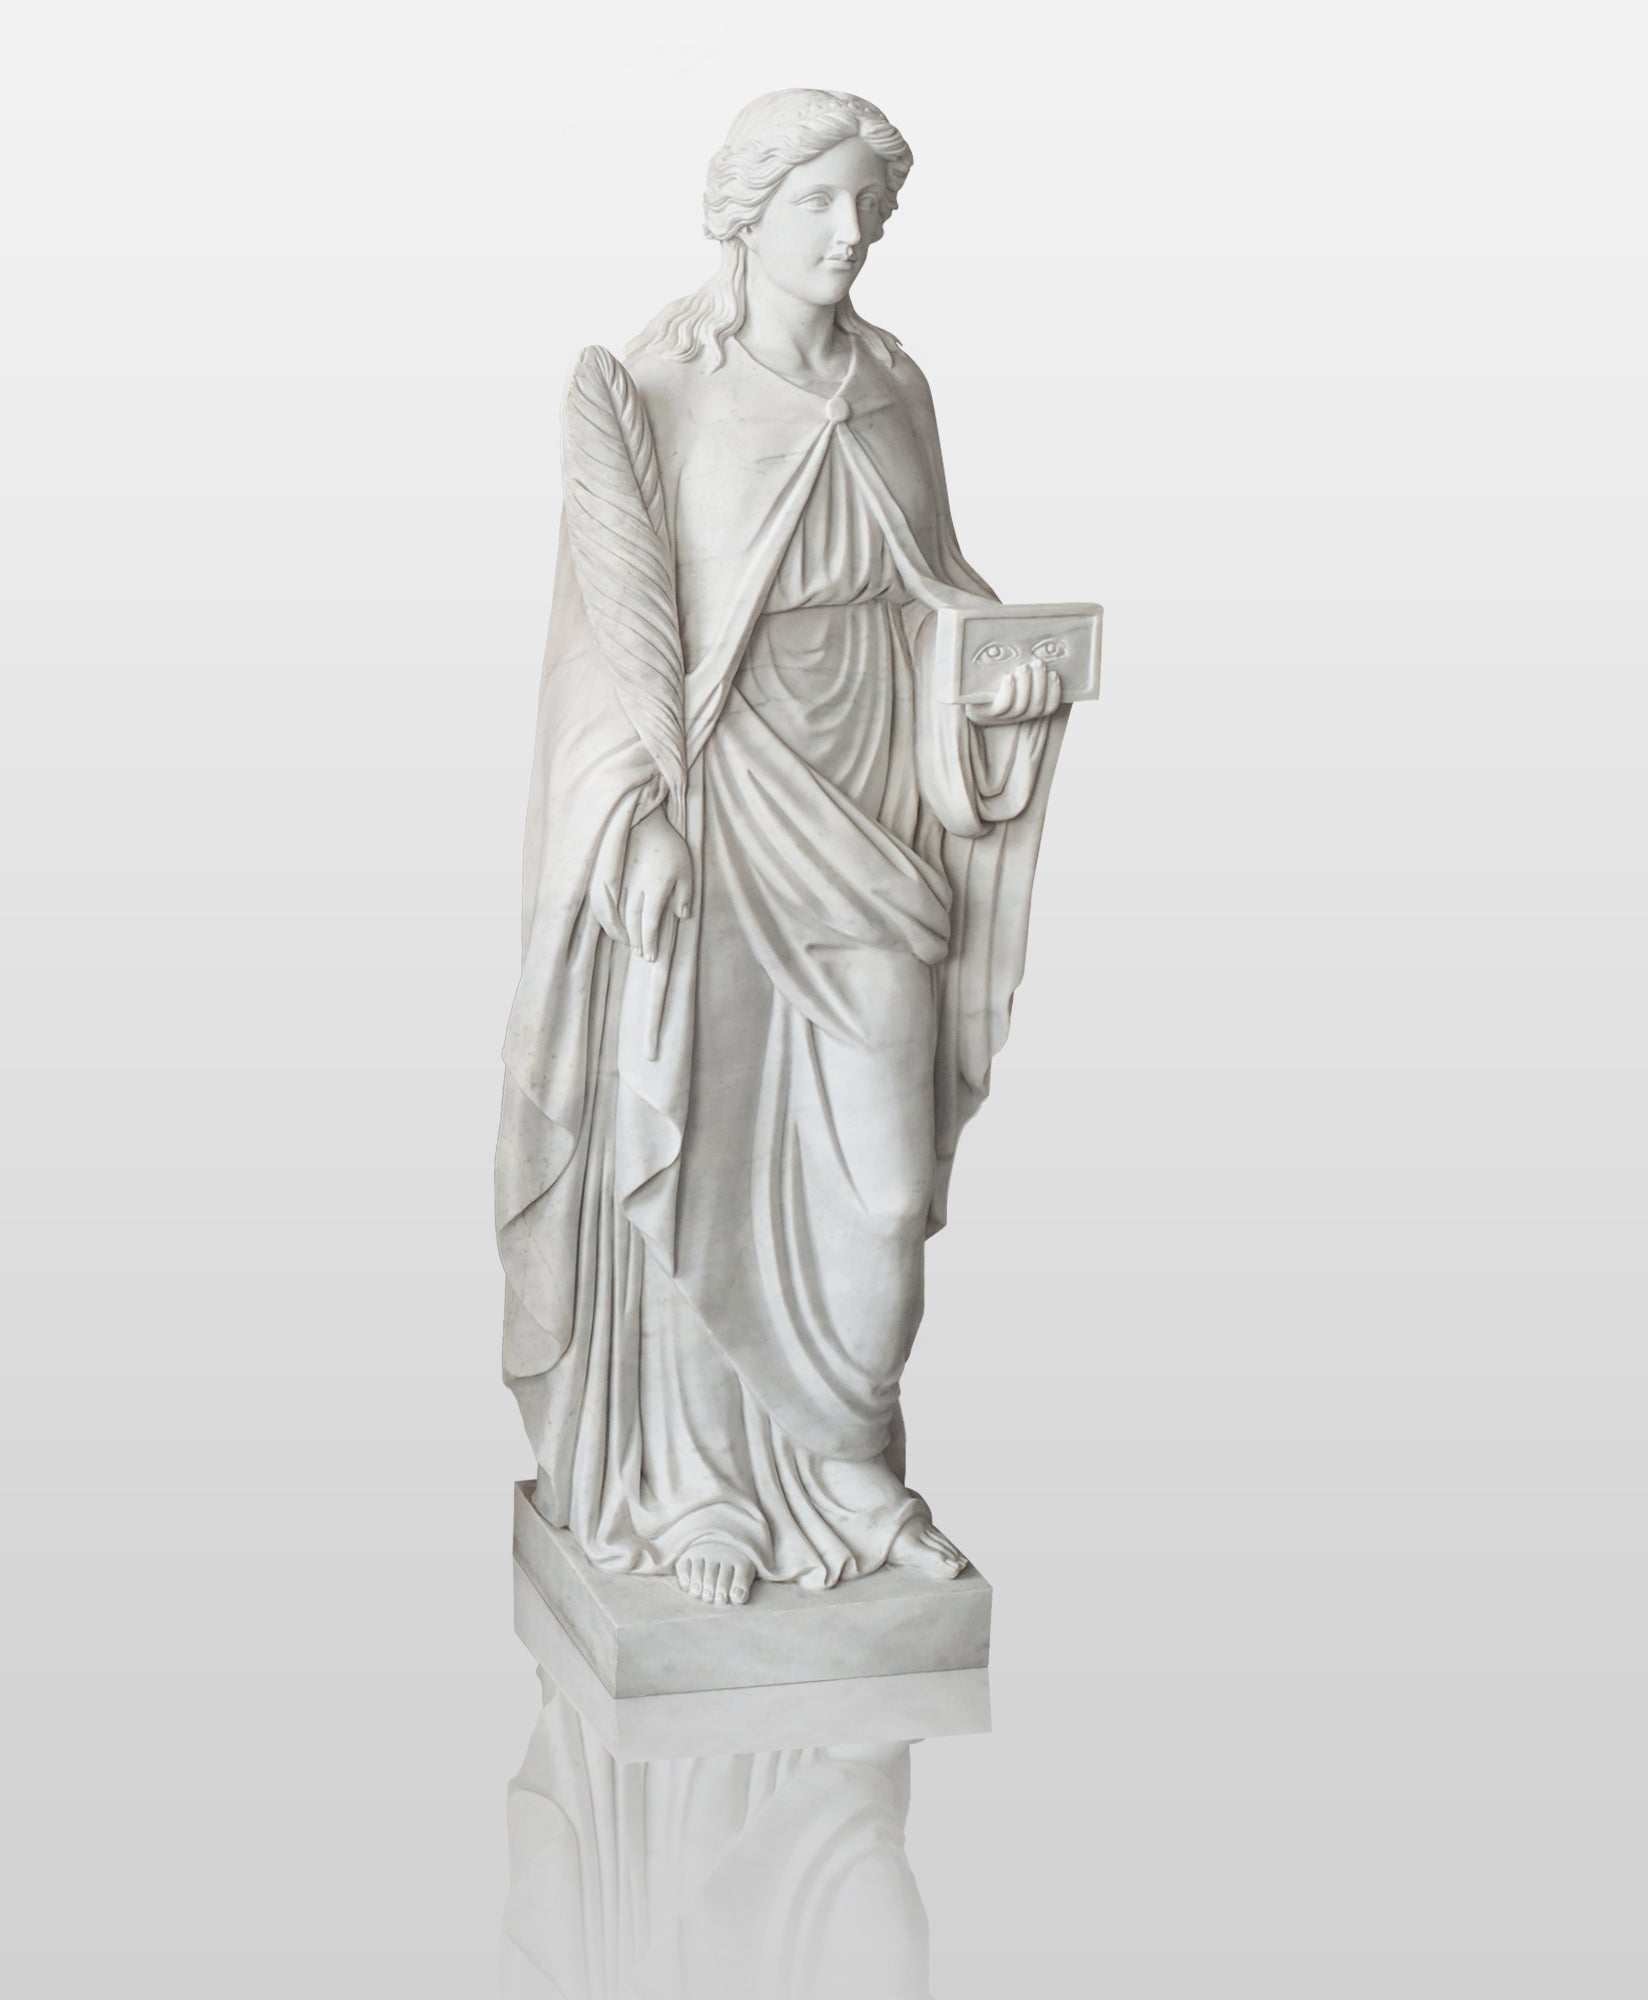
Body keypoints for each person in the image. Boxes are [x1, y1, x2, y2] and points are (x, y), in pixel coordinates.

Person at [497, 88, 1068, 1609]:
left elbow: (940, 590)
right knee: (697, 1142)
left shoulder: (894, 385)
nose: (851, 231)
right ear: (742, 214)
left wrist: (1000, 688)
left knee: (885, 1185)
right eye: (819, 200)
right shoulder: (658, 392)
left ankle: (850, 1470)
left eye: (870, 204)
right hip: (719, 807)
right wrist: (632, 820)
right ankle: (703, 1490)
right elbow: (606, 649)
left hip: (875, 808)